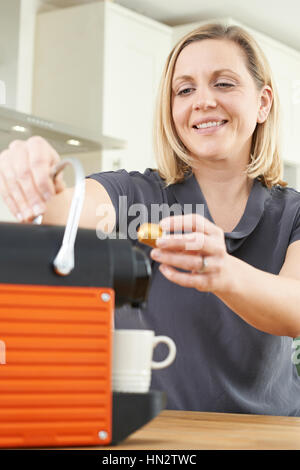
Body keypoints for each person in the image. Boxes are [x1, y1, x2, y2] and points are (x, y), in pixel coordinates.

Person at [1, 23, 300, 416]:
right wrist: (39, 172)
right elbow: (62, 219)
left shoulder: (292, 212)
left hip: (272, 436)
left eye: (224, 84)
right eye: (185, 89)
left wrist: (223, 271)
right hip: (155, 435)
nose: (203, 100)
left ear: (263, 103)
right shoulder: (130, 194)